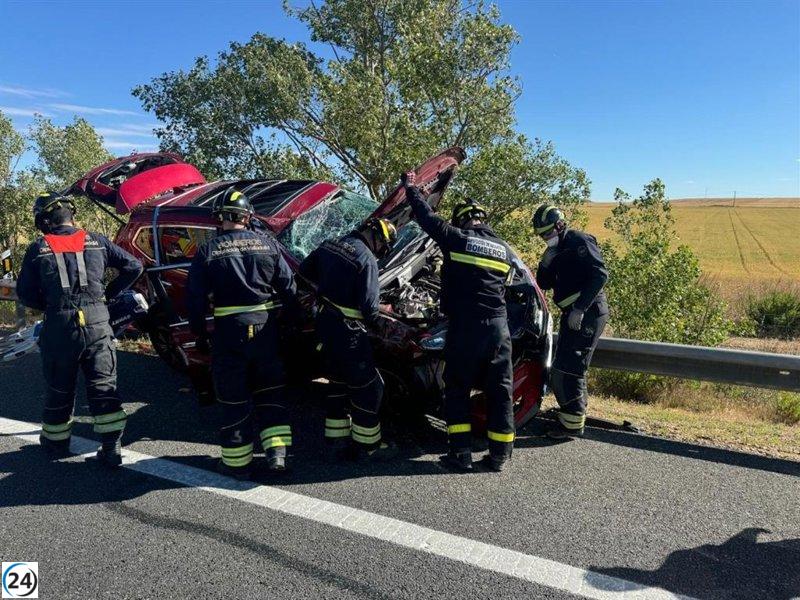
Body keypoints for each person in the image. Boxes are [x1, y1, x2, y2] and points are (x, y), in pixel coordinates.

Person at [17, 192, 143, 466]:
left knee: (60, 387)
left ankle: (56, 444)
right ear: (71, 214)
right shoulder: (96, 240)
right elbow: (134, 266)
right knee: (102, 385)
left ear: (45, 219)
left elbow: (25, 294)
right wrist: (108, 294)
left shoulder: (38, 247)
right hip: (98, 321)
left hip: (60, 326)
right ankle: (112, 448)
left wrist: (52, 305)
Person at [402, 172, 516, 472]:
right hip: (499, 330)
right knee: (500, 391)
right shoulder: (504, 250)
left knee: (457, 389)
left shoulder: (458, 239)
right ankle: (500, 455)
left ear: (463, 219)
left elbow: (425, 217)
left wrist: (411, 187)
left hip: (466, 329)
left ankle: (460, 454)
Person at [187, 188, 298, 479]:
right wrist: (289, 322)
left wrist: (199, 334)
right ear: (247, 217)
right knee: (270, 392)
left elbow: (195, 301)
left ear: (220, 217)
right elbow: (289, 289)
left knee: (234, 397)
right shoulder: (268, 244)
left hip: (229, 334)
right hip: (265, 330)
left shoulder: (207, 251)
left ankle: (237, 464)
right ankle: (277, 456)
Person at [299, 217, 398, 461]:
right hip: (350, 335)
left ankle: (336, 438)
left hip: (325, 327)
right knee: (368, 388)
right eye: (383, 246)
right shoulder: (366, 259)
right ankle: (368, 446)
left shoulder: (330, 244)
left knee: (336, 382)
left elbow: (304, 272)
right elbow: (370, 309)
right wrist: (386, 310)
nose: (380, 251)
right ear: (376, 236)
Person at [532, 204, 609, 439]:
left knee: (571, 367)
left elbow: (600, 274)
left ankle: (573, 425)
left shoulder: (578, 241)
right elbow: (543, 284)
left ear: (560, 225)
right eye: (541, 235)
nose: (545, 238)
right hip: (571, 313)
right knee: (564, 365)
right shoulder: (557, 250)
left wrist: (580, 308)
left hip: (588, 312)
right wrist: (545, 263)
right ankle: (571, 415)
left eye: (548, 232)